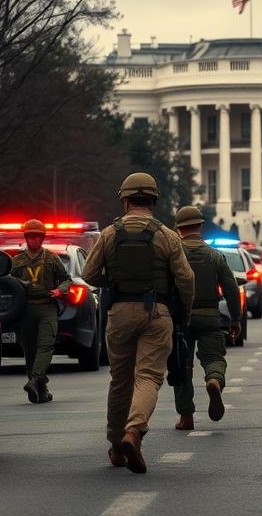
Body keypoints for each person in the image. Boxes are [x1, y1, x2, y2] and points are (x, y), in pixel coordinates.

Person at [82, 172, 194, 474]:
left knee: (120, 380)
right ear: (154, 201)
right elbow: (186, 277)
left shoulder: (109, 233)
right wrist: (183, 310)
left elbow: (89, 274)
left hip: (119, 312)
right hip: (157, 312)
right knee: (147, 377)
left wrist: (114, 282)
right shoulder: (167, 235)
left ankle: (117, 446)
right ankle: (134, 431)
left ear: (126, 200)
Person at [171, 205, 241, 431]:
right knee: (214, 358)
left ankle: (186, 416)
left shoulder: (173, 255)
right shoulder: (215, 255)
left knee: (182, 366)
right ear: (200, 226)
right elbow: (231, 289)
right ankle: (214, 380)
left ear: (178, 228)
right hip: (210, 316)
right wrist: (235, 319)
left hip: (180, 319)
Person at [10, 218, 71, 404]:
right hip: (26, 309)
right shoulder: (17, 261)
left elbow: (67, 279)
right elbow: (9, 283)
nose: (34, 240)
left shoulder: (52, 259)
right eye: (30, 236)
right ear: (26, 238)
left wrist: (60, 290)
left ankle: (35, 379)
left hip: (47, 306)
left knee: (45, 345)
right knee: (29, 350)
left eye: (37, 237)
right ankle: (40, 390)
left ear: (42, 238)